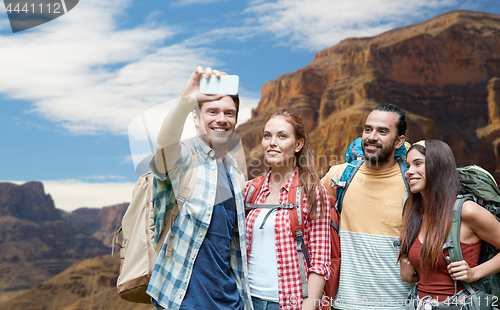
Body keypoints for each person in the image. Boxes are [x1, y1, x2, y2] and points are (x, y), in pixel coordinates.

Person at [146, 66, 252, 310]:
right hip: (184, 301)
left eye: (229, 113)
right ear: (196, 117)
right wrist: (185, 101)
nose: (222, 119)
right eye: (212, 111)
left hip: (231, 303)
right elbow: (163, 153)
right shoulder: (184, 158)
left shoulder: (236, 174)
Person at [321, 103, 412, 310]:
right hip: (344, 303)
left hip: (399, 304)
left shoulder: (412, 181)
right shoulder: (339, 175)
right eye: (368, 129)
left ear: (399, 141)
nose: (372, 137)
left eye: (382, 131)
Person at [244, 110, 332, 310]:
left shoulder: (312, 192)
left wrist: (308, 307)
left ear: (298, 144)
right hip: (246, 301)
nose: (272, 142)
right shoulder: (250, 190)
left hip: (290, 304)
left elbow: (320, 262)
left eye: (282, 136)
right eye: (268, 135)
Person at [399, 139, 500, 307]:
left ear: (438, 166)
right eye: (408, 166)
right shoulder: (413, 210)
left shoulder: (466, 211)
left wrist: (474, 273)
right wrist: (406, 269)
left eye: (418, 164)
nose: (409, 172)